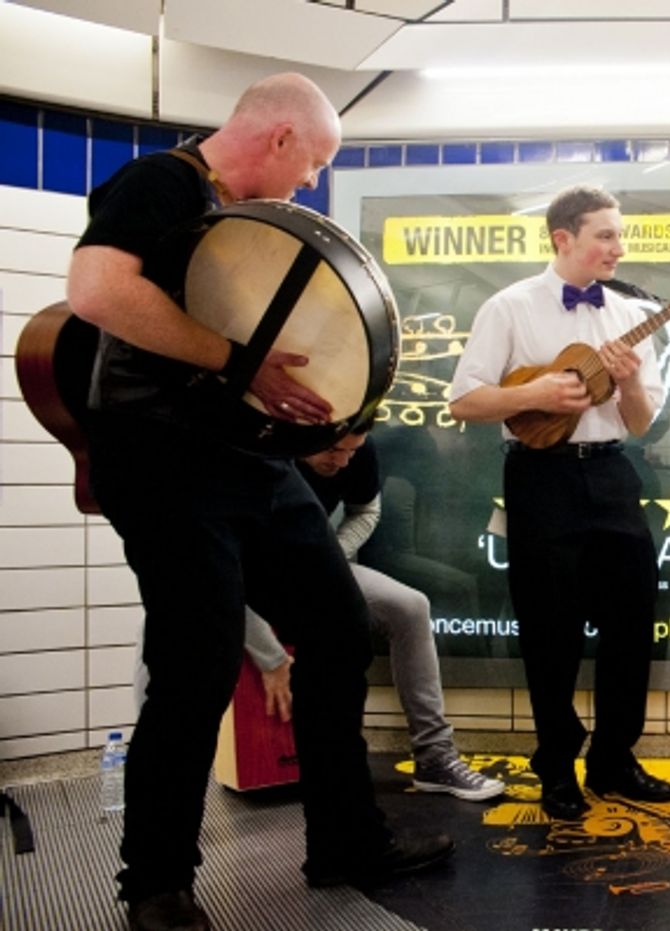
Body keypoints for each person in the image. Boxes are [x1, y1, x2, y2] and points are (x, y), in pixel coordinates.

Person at [65, 73, 452, 931]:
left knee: (341, 628)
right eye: (311, 162)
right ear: (278, 138)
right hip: (161, 462)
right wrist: (242, 363)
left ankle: (344, 839)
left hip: (243, 461)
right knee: (197, 658)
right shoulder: (160, 183)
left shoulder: (250, 223)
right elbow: (95, 290)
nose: (309, 181)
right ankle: (157, 884)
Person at [447, 185, 670, 821]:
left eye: (619, 235)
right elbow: (464, 400)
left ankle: (614, 758)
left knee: (632, 625)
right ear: (563, 239)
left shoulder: (629, 315)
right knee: (551, 631)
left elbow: (640, 421)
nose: (618, 248)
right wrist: (538, 394)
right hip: (540, 479)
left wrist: (629, 381)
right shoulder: (509, 307)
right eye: (605, 234)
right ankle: (556, 765)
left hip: (611, 475)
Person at [242, 425, 505, 801]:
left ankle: (434, 757)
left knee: (411, 607)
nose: (343, 460)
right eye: (333, 449)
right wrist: (270, 657)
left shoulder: (356, 454)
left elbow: (366, 510)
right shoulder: (262, 459)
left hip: (316, 561)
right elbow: (220, 575)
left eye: (353, 450)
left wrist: (327, 555)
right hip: (248, 575)